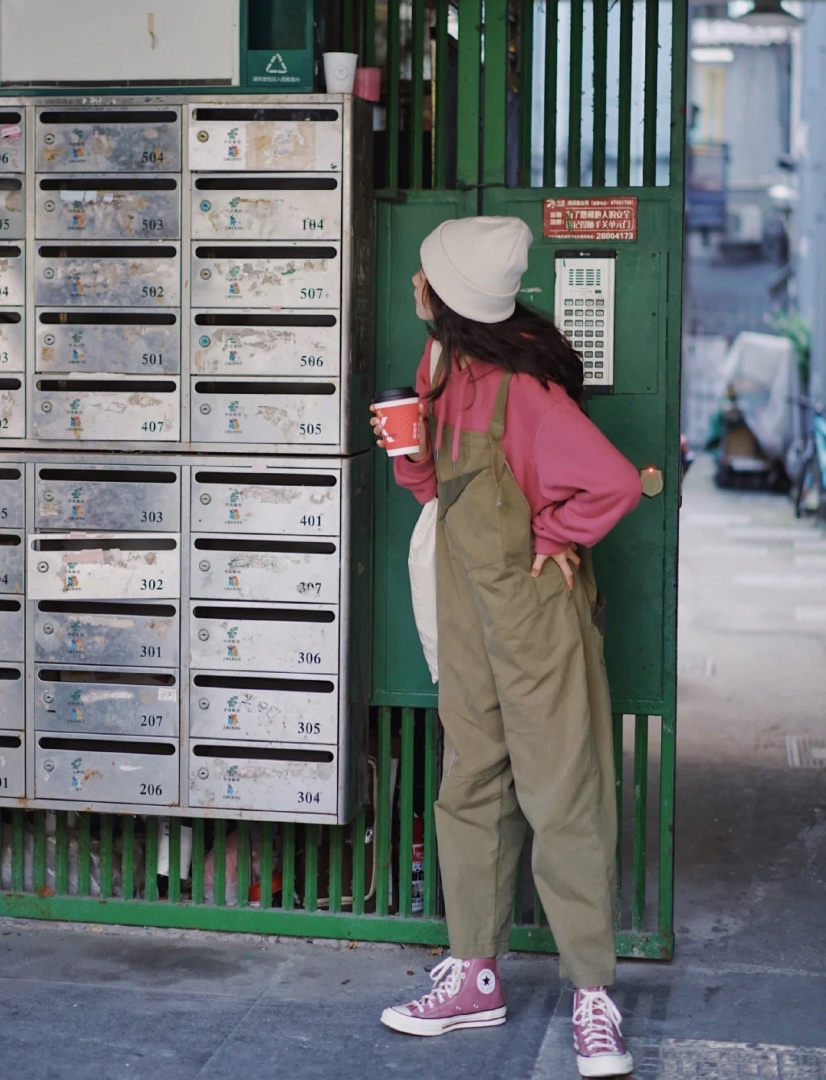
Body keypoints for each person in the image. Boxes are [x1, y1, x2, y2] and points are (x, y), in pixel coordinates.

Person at [370, 216, 642, 1078]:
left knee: (562, 790)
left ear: (442, 294)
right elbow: (433, 492)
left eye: (424, 274)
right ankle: (474, 973)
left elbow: (611, 482)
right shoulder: (440, 366)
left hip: (528, 612)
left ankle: (594, 996)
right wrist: (411, 454)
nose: (415, 281)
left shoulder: (524, 389)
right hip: (466, 605)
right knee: (470, 780)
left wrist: (552, 539)